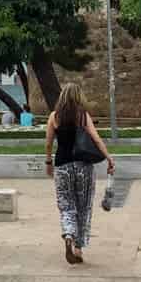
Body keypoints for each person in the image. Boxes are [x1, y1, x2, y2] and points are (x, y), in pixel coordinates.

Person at [43, 82, 114, 265]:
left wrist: (49, 162)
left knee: (66, 206)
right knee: (84, 207)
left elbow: (49, 143)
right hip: (83, 166)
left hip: (62, 166)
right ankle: (78, 248)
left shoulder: (54, 116)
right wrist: (109, 158)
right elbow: (96, 139)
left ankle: (68, 234)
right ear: (78, 96)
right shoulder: (82, 115)